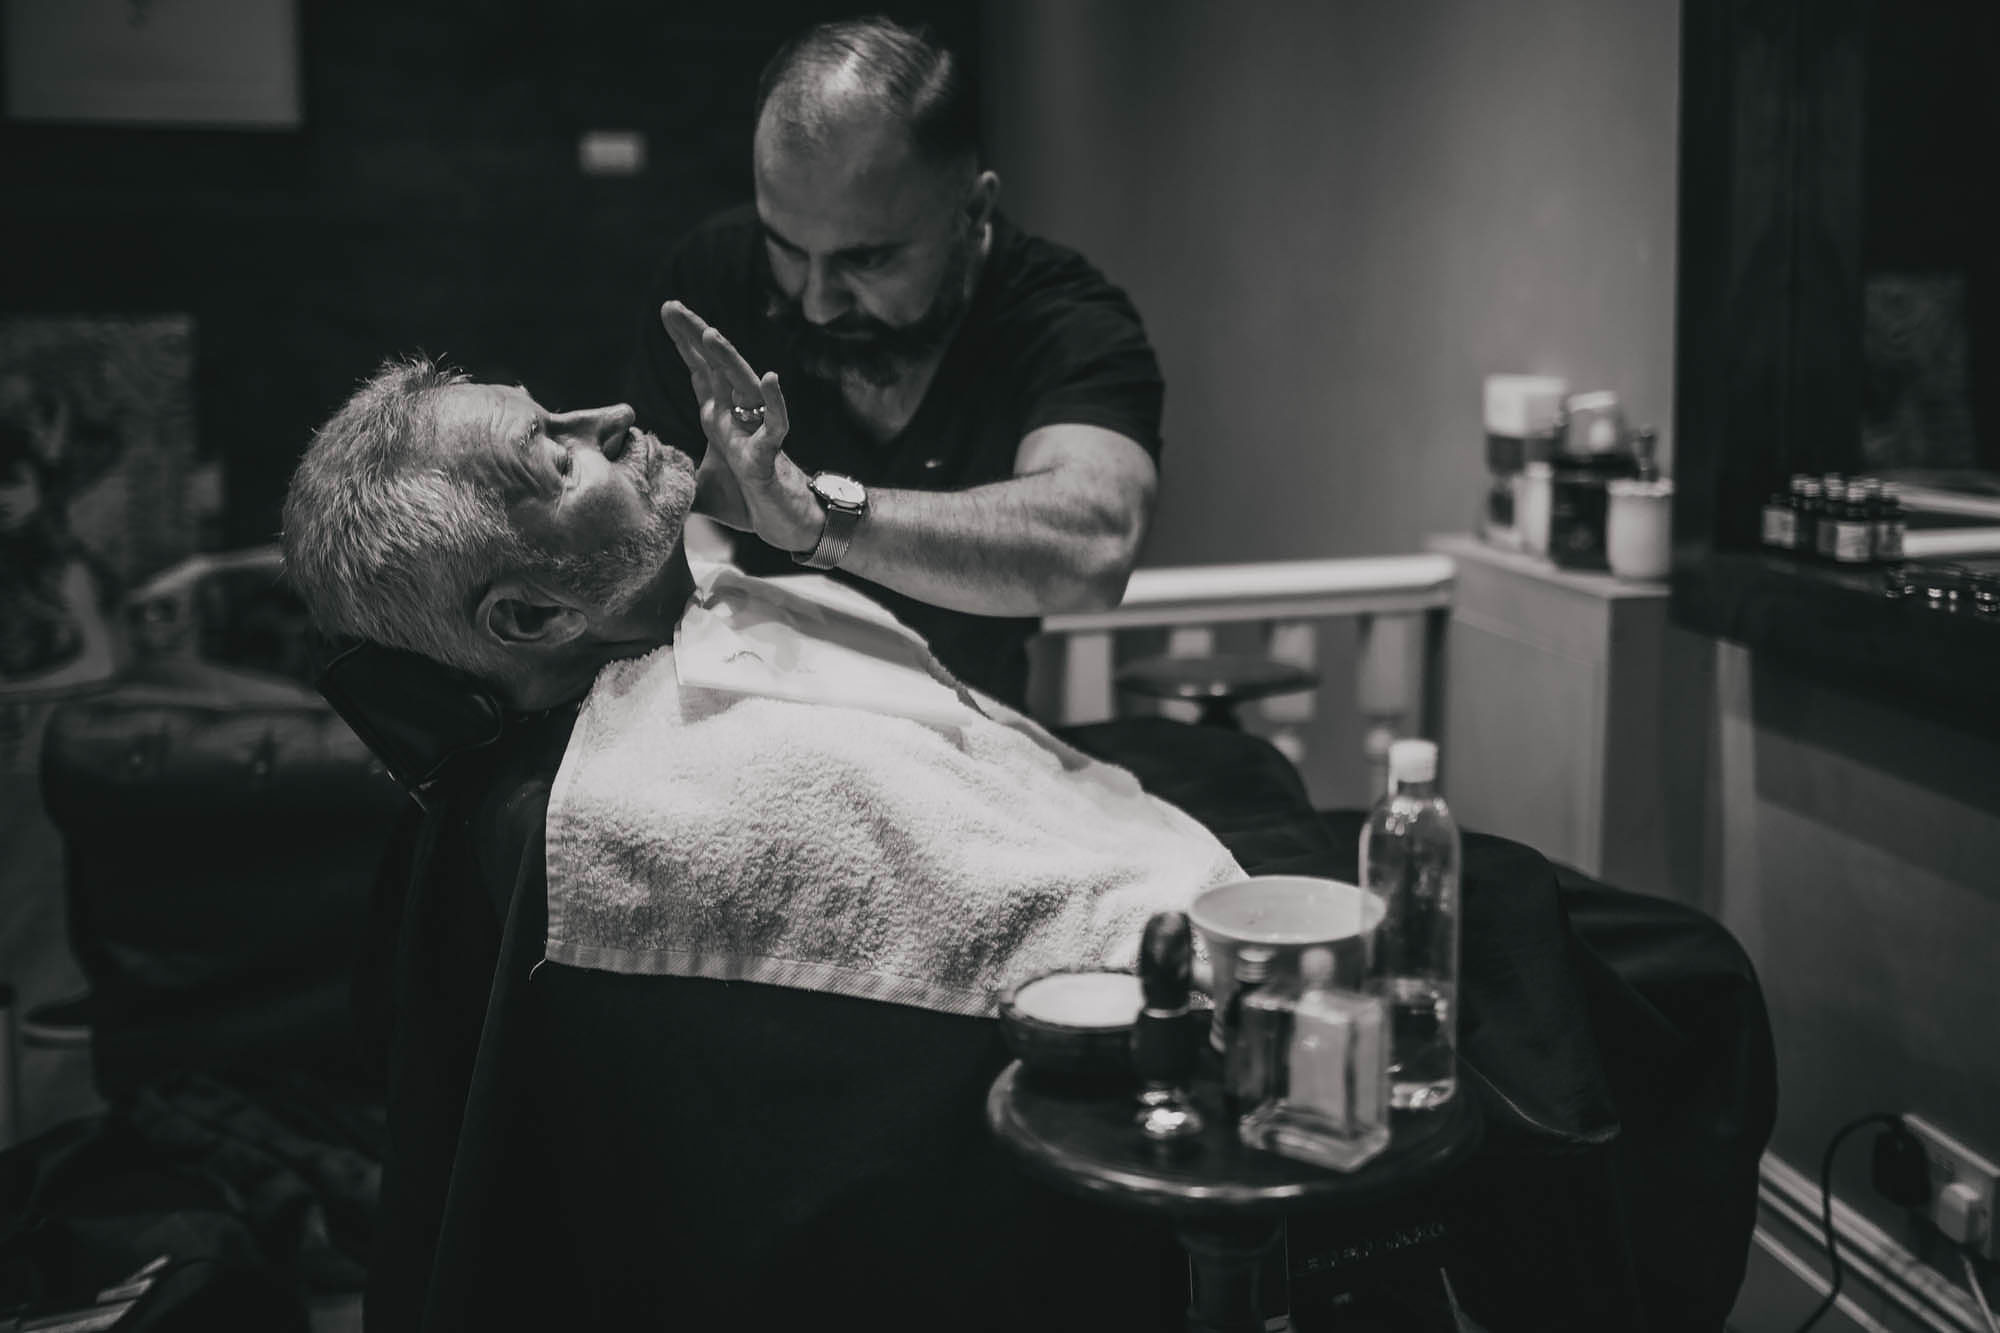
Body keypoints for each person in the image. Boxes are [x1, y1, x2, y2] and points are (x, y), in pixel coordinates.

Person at [625, 15, 1165, 709]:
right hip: (754, 720)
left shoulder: (1065, 321)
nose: (816, 303)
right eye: (786, 248)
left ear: (973, 210)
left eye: (866, 259)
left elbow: (1094, 545)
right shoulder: (714, 276)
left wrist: (820, 517)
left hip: (973, 734)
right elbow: (663, 513)